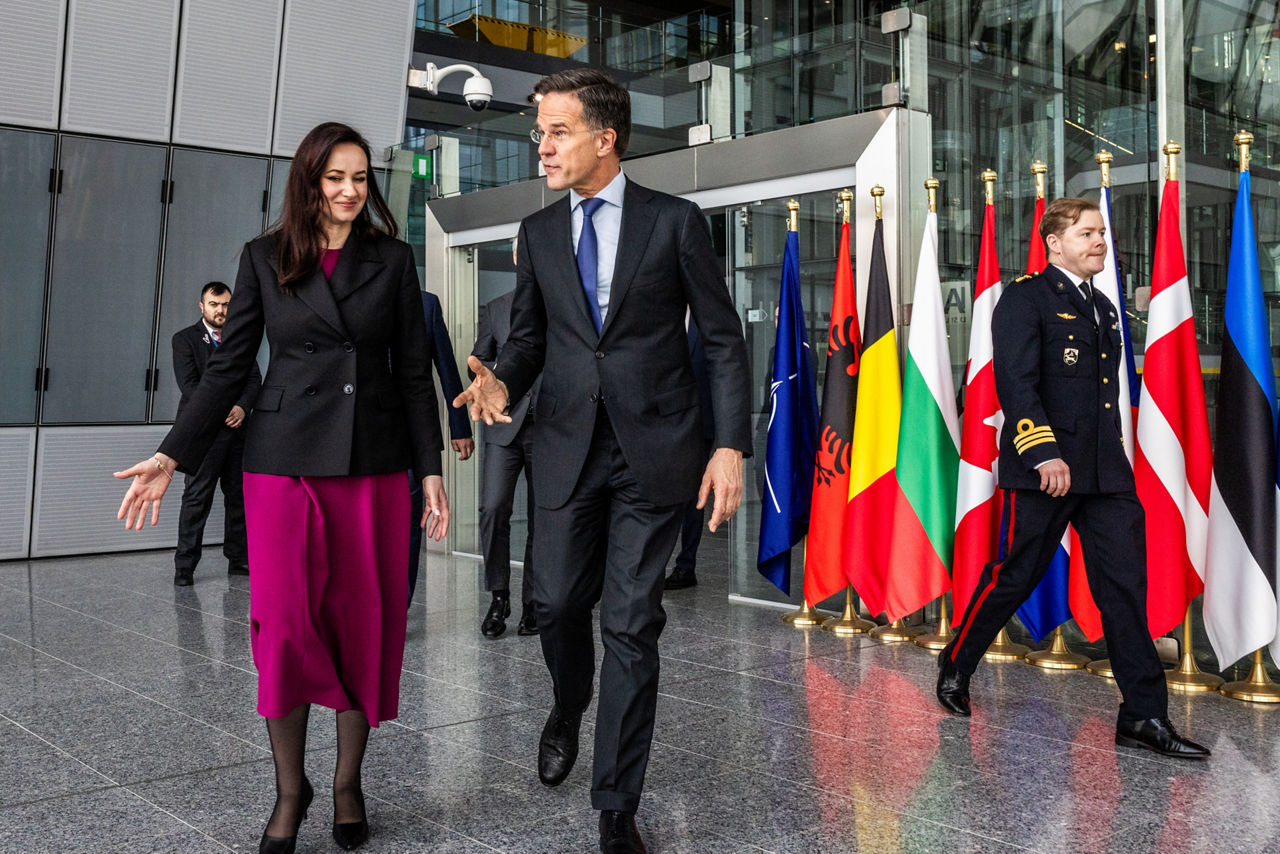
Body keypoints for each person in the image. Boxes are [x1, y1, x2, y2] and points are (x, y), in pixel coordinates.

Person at [115, 121, 451, 853]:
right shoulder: (264, 259)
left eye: (361, 178)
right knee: (287, 628)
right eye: (335, 177)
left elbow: (413, 375)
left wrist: (431, 472)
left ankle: (347, 784)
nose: (350, 191)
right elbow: (230, 369)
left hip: (371, 462)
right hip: (282, 462)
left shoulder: (392, 260)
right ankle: (290, 790)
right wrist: (172, 455)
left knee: (365, 623)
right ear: (308, 180)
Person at [454, 69, 751, 853]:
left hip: (656, 452)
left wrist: (729, 446)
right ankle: (568, 701)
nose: (542, 148)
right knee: (550, 605)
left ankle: (616, 804)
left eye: (556, 132)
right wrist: (502, 377)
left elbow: (721, 339)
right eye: (539, 134)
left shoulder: (676, 222)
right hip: (564, 449)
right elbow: (529, 336)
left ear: (603, 139)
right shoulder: (541, 233)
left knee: (630, 624)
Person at [937, 197, 1209, 760]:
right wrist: (1043, 453)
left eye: (1102, 234)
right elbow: (1015, 383)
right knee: (1014, 575)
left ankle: (1142, 715)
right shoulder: (1025, 298)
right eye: (1088, 234)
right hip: (1046, 469)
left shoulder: (1105, 309)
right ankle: (957, 663)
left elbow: (1103, 397)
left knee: (1124, 588)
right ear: (1054, 242)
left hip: (1104, 471)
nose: (1100, 242)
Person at [171, 281, 261, 586]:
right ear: (202, 306)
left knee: (238, 499)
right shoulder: (184, 340)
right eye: (214, 304)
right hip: (203, 435)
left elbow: (253, 380)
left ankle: (238, 560)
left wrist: (242, 407)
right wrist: (222, 408)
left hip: (238, 433)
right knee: (196, 498)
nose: (221, 310)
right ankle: (184, 567)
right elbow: (190, 385)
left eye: (225, 305)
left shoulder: (240, 341)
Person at [472, 288, 541, 637]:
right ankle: (499, 596)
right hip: (503, 425)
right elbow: (480, 359)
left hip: (550, 426)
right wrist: (489, 379)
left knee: (541, 518)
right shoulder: (495, 305)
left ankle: (533, 602)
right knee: (493, 508)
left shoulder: (562, 298)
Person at [407, 289, 473, 607]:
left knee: (407, 526)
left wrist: (459, 427)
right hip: (358, 434)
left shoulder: (426, 304)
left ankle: (399, 605)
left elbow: (446, 368)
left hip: (410, 434)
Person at [664, 319, 714, 591]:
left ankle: (686, 566)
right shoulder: (657, 313)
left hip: (700, 425)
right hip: (661, 425)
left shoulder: (702, 318)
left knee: (693, 501)